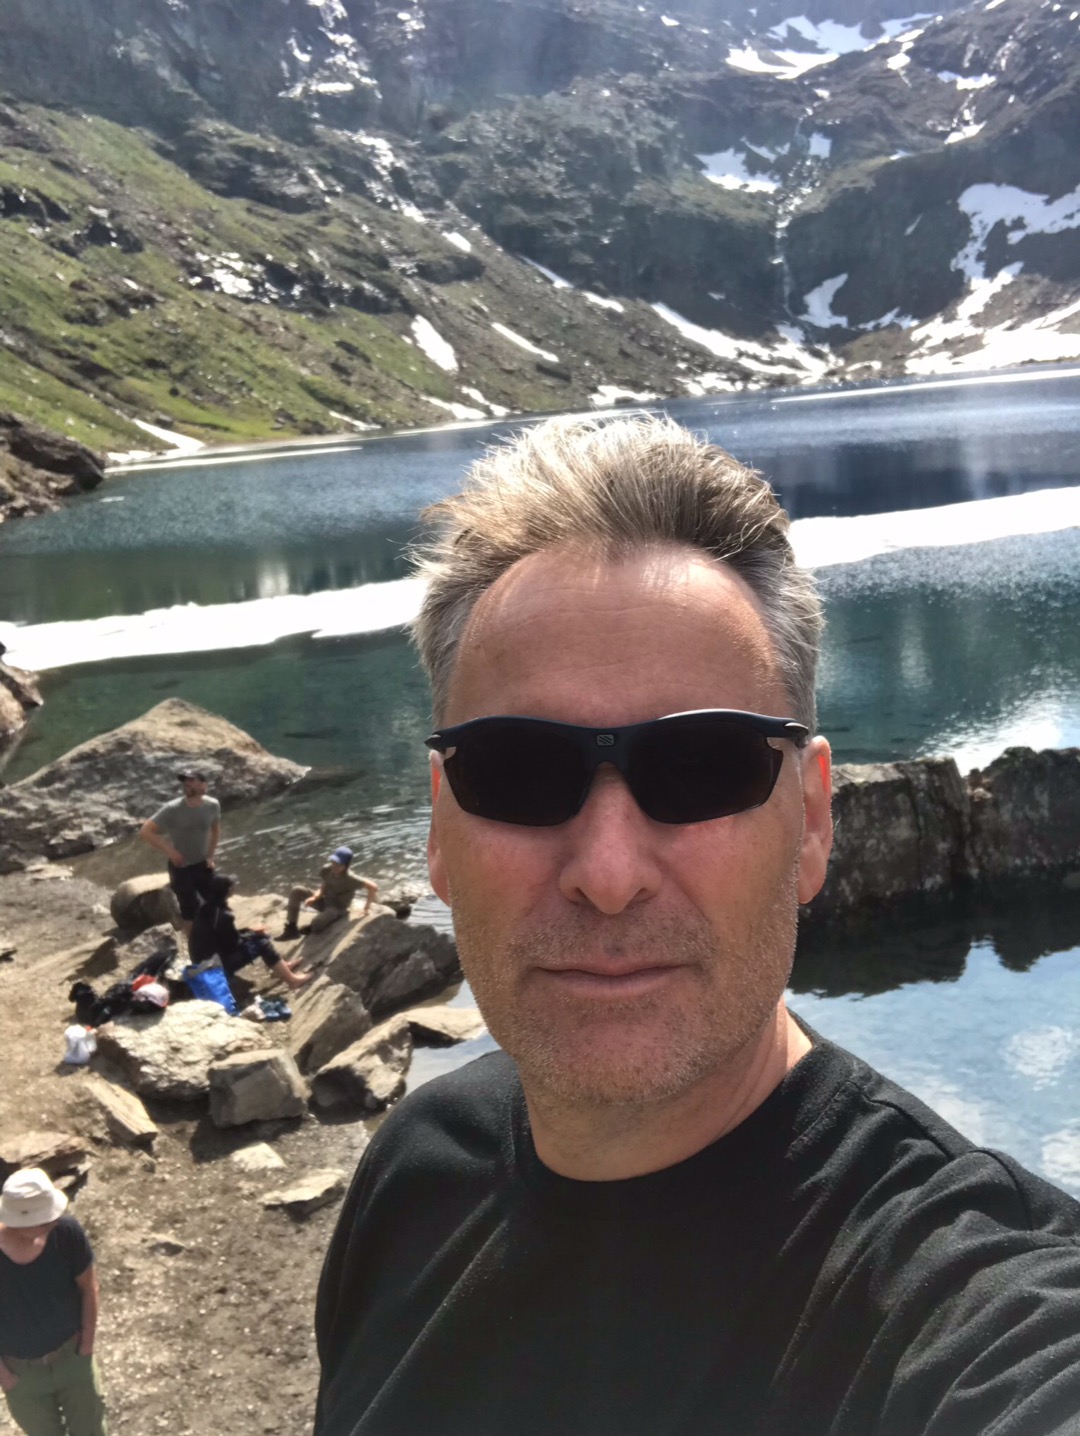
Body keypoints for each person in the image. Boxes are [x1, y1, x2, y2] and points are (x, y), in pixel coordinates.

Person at [313, 414, 1080, 1436]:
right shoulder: (415, 1171)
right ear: (439, 829)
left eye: (705, 767)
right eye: (517, 770)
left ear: (813, 821)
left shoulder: (967, 1302)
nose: (609, 874)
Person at [0, 1168, 106, 1436]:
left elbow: (89, 1288)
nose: (54, 1219)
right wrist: (5, 1376)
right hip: (21, 1376)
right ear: (18, 1221)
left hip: (72, 1358)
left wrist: (86, 1347)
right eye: (44, 1217)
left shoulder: (67, 1233)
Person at [189, 874, 311, 991]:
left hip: (202, 961)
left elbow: (223, 936)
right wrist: (253, 934)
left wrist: (250, 931)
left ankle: (283, 967)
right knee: (263, 943)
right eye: (232, 885)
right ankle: (292, 981)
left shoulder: (206, 908)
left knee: (257, 937)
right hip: (215, 966)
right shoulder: (223, 915)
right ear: (229, 890)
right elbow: (234, 944)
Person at [138, 771, 221, 936]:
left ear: (203, 785)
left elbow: (216, 831)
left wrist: (211, 856)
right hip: (181, 867)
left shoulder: (212, 805)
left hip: (202, 863)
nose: (186, 783)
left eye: (191, 780)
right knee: (189, 910)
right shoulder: (172, 808)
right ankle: (194, 946)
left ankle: (215, 939)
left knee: (214, 902)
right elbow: (145, 831)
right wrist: (170, 851)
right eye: (184, 781)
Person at [280, 846, 377, 940]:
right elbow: (324, 886)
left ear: (346, 865)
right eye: (333, 862)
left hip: (337, 909)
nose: (334, 866)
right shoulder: (327, 869)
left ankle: (312, 927)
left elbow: (373, 887)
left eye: (338, 864)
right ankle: (291, 928)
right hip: (325, 901)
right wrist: (314, 897)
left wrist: (366, 909)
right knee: (297, 890)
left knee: (318, 923)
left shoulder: (351, 878)